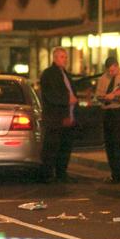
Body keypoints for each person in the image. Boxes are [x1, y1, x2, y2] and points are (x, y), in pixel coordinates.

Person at [39, 47, 79, 184]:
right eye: (62, 57)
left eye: (66, 57)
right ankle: (48, 175)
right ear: (55, 58)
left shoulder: (66, 74)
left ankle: (62, 173)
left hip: (69, 117)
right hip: (55, 118)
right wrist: (67, 101)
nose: (65, 59)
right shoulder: (49, 74)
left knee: (65, 148)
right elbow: (51, 96)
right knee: (51, 148)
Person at [95, 57, 120, 184]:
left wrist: (115, 95)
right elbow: (99, 93)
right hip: (107, 111)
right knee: (109, 143)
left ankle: (119, 175)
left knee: (118, 143)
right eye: (109, 71)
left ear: (117, 66)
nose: (111, 73)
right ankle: (113, 173)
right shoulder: (103, 78)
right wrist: (104, 97)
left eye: (113, 70)